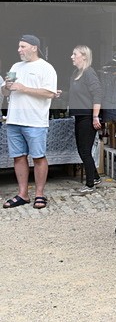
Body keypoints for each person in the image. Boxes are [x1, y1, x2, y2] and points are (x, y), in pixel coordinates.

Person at [1, 35, 58, 209]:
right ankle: (23, 194)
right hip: (14, 120)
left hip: (35, 120)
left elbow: (50, 93)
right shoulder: (15, 66)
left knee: (38, 157)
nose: (19, 50)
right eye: (19, 46)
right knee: (18, 157)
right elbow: (5, 94)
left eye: (22, 46)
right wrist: (6, 87)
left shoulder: (46, 68)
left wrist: (24, 88)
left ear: (34, 47)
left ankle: (39, 194)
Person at [67, 45, 103, 195]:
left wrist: (95, 116)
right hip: (79, 116)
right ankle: (94, 177)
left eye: (75, 54)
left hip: (88, 117)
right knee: (83, 150)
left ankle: (90, 185)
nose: (72, 57)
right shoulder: (76, 73)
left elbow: (97, 95)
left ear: (84, 57)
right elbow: (77, 95)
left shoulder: (89, 73)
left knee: (84, 151)